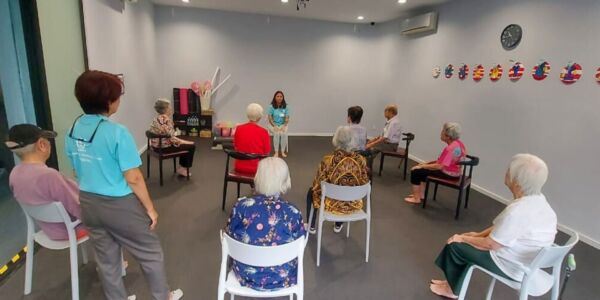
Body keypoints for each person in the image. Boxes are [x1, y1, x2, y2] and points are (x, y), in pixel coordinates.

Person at [65, 70, 182, 300]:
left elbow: (76, 169)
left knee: (107, 261)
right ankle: (163, 297)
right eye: (117, 96)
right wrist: (150, 209)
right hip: (119, 205)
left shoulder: (73, 129)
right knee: (150, 254)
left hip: (88, 203)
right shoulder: (117, 133)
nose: (119, 100)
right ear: (108, 102)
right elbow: (134, 178)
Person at [430, 154, 557, 299]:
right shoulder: (539, 202)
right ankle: (451, 284)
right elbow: (502, 230)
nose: (506, 172)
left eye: (509, 171)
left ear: (516, 182)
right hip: (528, 261)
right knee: (465, 242)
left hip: (512, 265)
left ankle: (452, 290)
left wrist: (463, 238)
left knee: (455, 246)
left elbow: (491, 244)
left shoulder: (518, 211)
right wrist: (475, 235)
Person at [225, 157, 306, 290]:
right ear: (285, 181)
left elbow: (229, 234)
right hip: (282, 276)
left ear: (258, 178)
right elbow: (300, 242)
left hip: (246, 273)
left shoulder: (241, 206)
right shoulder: (293, 212)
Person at [6, 124, 87, 241]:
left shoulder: (14, 174)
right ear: (42, 145)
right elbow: (78, 207)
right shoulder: (49, 176)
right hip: (70, 230)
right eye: (48, 141)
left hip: (48, 230)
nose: (50, 144)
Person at [306, 126, 370, 233]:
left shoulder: (328, 160)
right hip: (353, 204)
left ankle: (311, 226)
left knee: (311, 192)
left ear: (336, 140)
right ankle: (338, 224)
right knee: (346, 190)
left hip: (332, 205)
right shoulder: (361, 160)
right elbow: (364, 181)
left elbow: (318, 184)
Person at [404, 122, 466, 204]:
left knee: (415, 171)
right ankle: (421, 195)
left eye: (443, 131)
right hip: (456, 172)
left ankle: (416, 198)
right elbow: (441, 161)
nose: (441, 133)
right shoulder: (459, 144)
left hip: (448, 174)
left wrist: (422, 166)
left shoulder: (450, 148)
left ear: (448, 136)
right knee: (422, 169)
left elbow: (439, 166)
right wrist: (424, 164)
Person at [149, 98, 196, 177]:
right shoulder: (166, 120)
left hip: (155, 146)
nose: (171, 109)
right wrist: (186, 142)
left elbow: (169, 136)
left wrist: (182, 141)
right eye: (169, 107)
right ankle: (183, 169)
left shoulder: (156, 119)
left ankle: (182, 168)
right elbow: (172, 138)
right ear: (165, 109)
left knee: (186, 144)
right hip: (163, 148)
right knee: (191, 146)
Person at [233, 103, 271, 174]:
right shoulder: (264, 132)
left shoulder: (238, 129)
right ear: (260, 117)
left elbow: (236, 147)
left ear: (247, 115)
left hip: (239, 167)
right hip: (257, 168)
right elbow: (266, 153)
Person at [267, 91, 290, 158]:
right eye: (278, 96)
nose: (279, 98)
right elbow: (270, 118)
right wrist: (274, 126)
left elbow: (287, 118)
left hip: (283, 124)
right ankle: (276, 152)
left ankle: (282, 151)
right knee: (277, 133)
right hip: (273, 124)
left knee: (283, 133)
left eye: (281, 96)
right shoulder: (271, 107)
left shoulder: (286, 107)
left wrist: (284, 125)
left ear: (283, 98)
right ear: (275, 97)